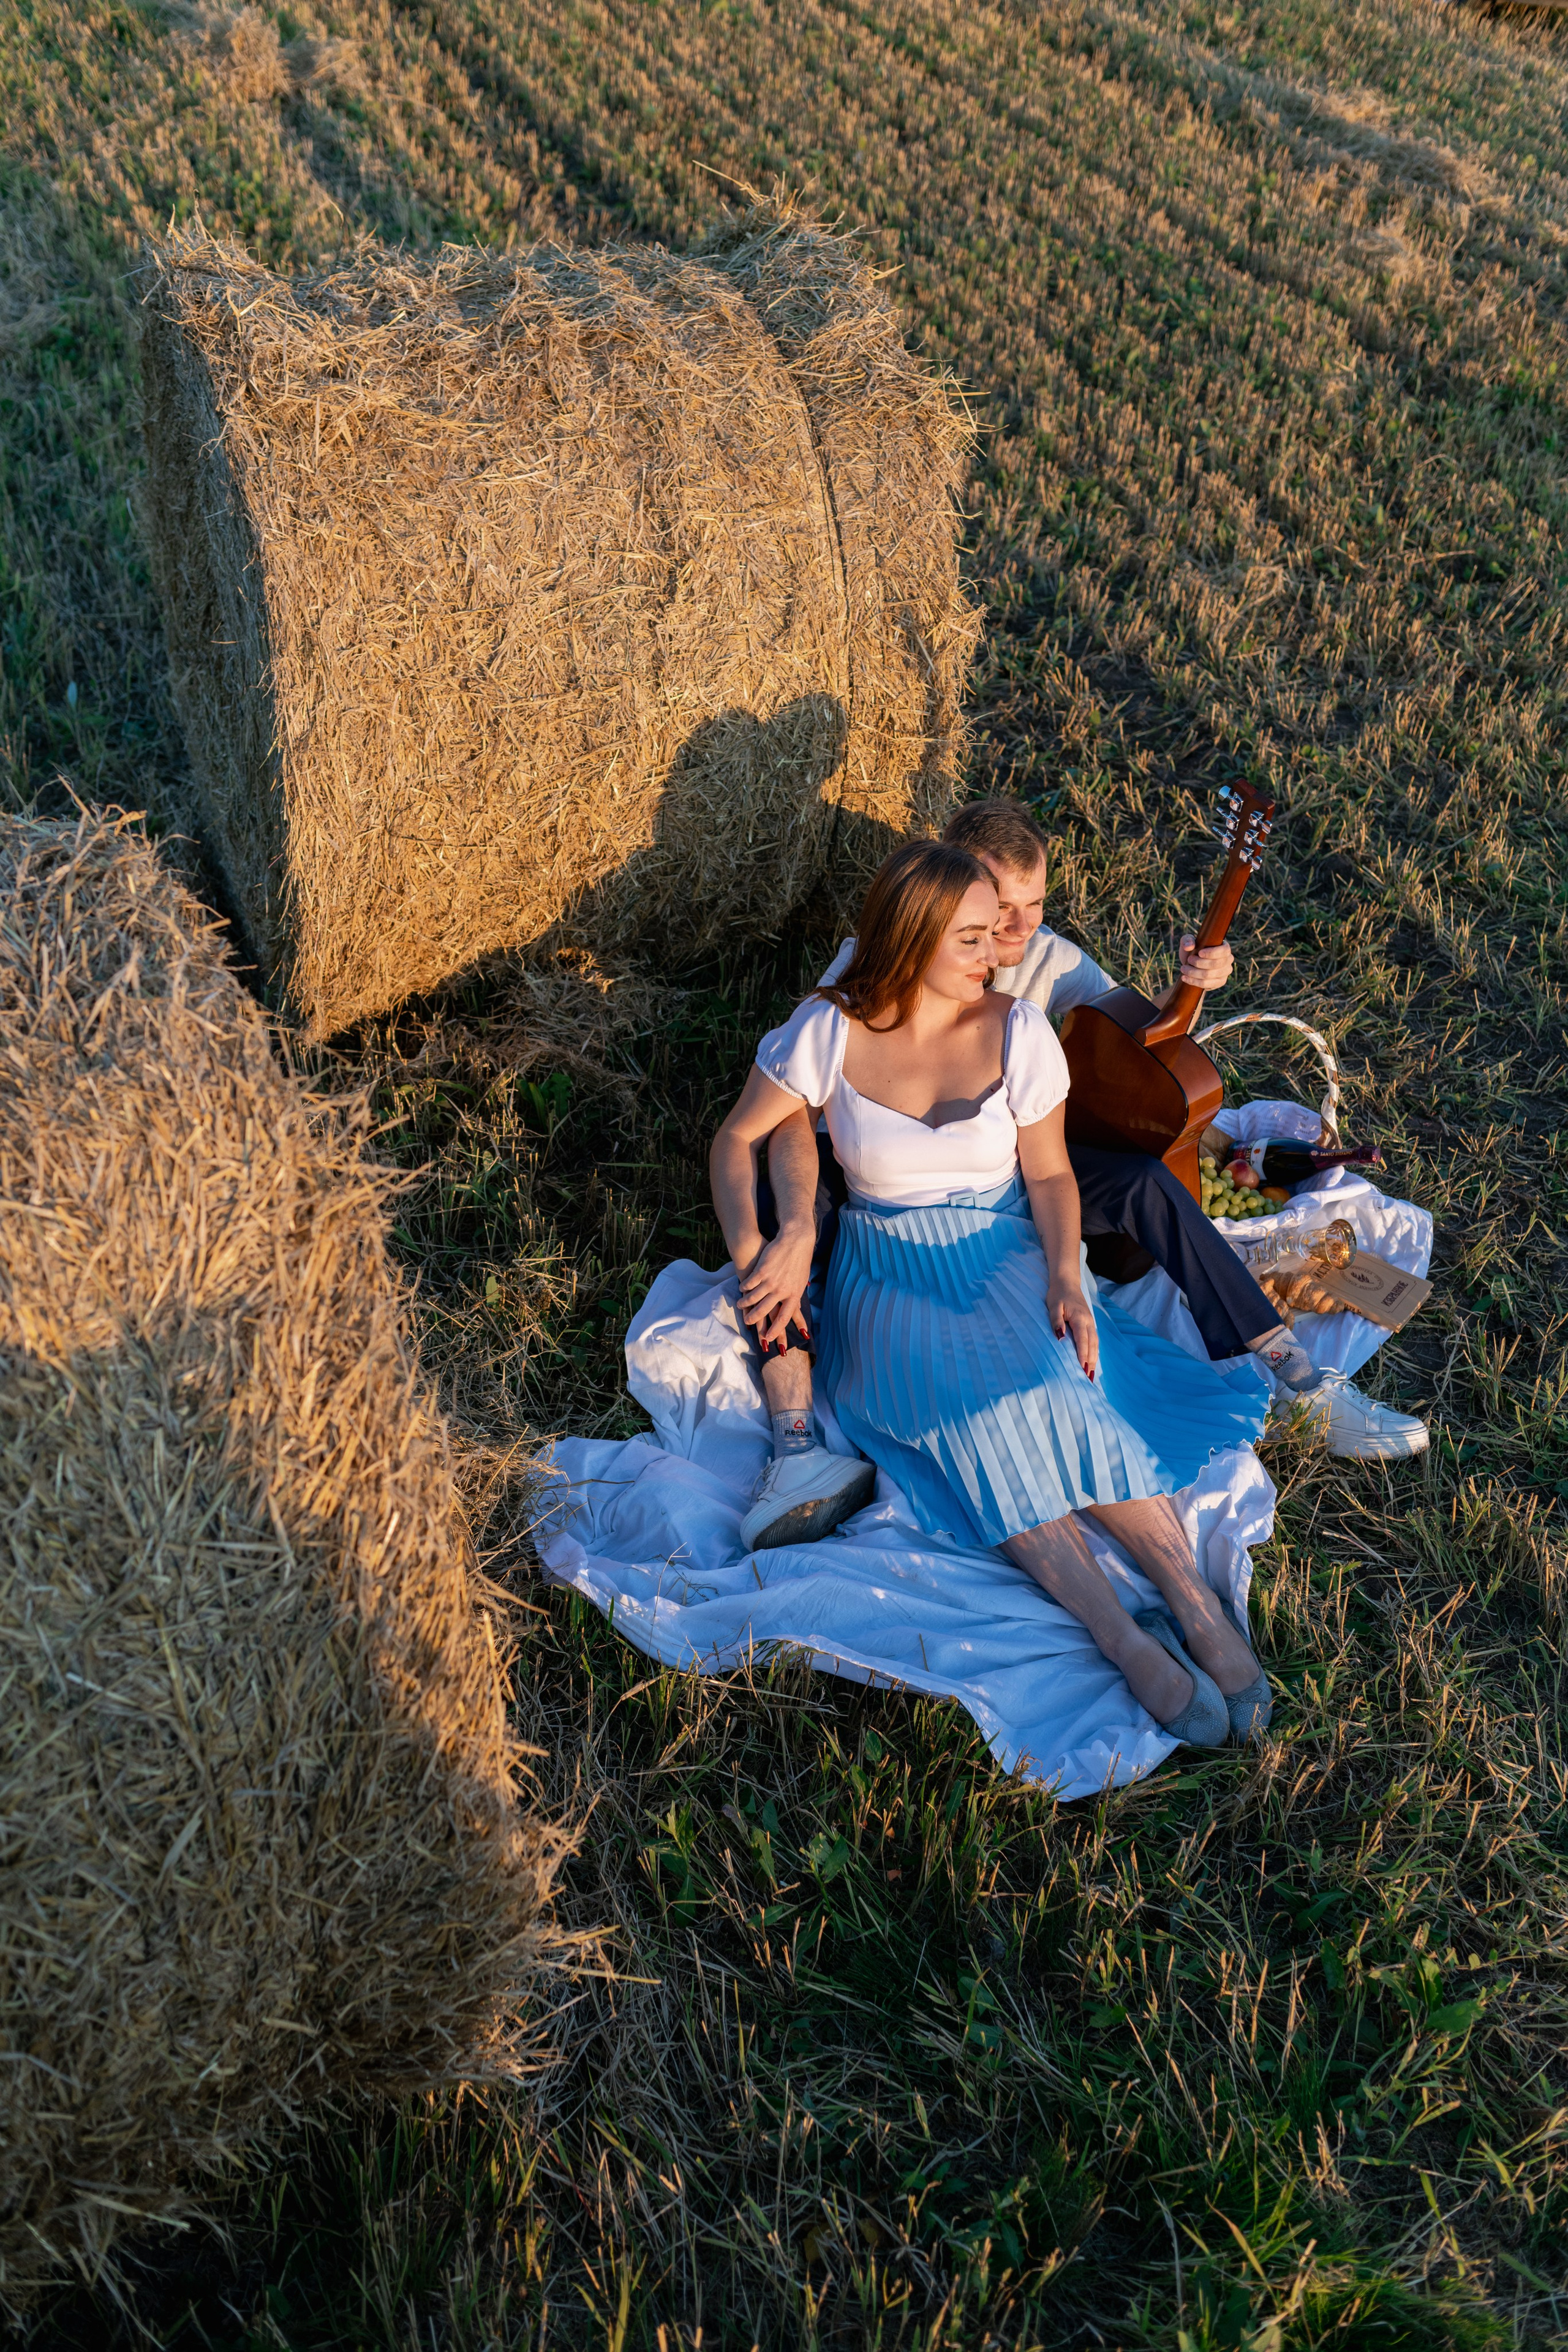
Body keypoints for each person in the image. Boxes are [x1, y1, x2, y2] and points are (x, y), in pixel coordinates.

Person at [717, 798, 1427, 1555]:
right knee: (781, 1215)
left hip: (1017, 1171)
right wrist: (794, 1223)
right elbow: (790, 1095)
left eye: (1031, 909)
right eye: (993, 912)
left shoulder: (1049, 962)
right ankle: (793, 1441)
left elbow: (1138, 1034)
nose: (1011, 935)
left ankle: (1287, 1369)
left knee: (1143, 1185)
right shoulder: (873, 963)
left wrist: (1194, 984)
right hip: (882, 1172)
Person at [710, 839, 1272, 1746]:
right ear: (914, 937)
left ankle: (1194, 1602)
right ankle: (1118, 1635)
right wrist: (762, 1248)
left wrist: (1063, 1272)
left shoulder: (1018, 1029)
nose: (997, 953)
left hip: (1004, 1244)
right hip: (889, 1270)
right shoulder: (831, 1029)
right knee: (975, 1418)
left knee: (1061, 1388)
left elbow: (1050, 1178)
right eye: (972, 939)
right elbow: (738, 1141)